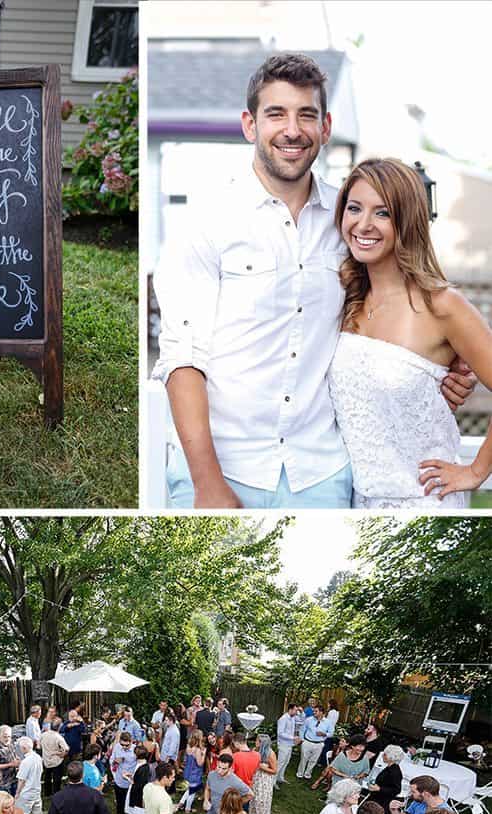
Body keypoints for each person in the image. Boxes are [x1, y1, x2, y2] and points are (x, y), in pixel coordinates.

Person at [152, 53, 473, 510]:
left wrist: (447, 364)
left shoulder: (349, 223)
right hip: (224, 469)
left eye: (307, 115)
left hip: (323, 473)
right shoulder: (206, 222)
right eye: (276, 114)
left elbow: (401, 304)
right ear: (250, 124)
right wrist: (208, 484)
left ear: (325, 127)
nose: (292, 129)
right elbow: (183, 356)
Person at [329, 156, 492, 508]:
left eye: (383, 213)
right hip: (357, 503)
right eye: (354, 208)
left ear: (407, 221)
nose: (364, 224)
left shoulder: (443, 306)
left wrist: (476, 470)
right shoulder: (344, 301)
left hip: (424, 503)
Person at [363, 745, 405, 814]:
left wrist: (379, 789)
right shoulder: (389, 768)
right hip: (378, 798)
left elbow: (396, 790)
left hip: (383, 802)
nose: (382, 755)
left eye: (385, 754)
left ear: (391, 757)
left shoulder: (395, 772)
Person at [249, 734, 278, 814]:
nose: (255, 742)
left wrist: (261, 767)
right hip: (256, 779)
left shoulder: (271, 754)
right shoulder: (255, 750)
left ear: (262, 743)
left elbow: (274, 770)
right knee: (253, 801)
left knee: (261, 803)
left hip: (264, 781)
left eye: (257, 740)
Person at [14, 737, 44, 814]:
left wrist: (17, 793)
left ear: (23, 748)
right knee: (37, 812)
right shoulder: (38, 757)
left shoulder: (26, 762)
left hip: (26, 791)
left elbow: (21, 780)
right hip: (37, 789)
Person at [297, 705, 334, 780]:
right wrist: (302, 740)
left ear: (321, 712)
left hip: (319, 744)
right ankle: (300, 773)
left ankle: (307, 774)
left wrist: (324, 734)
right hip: (307, 742)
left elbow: (331, 733)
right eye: (314, 711)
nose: (314, 712)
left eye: (316, 711)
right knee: (303, 758)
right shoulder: (309, 720)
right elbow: (302, 729)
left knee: (314, 760)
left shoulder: (328, 722)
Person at [126, 743, 152, 814]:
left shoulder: (143, 768)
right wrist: (132, 776)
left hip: (139, 796)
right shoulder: (141, 764)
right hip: (136, 794)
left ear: (136, 756)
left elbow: (139, 785)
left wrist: (128, 779)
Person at [110, 731, 137, 814]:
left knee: (131, 802)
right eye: (122, 745)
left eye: (126, 745)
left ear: (131, 742)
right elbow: (111, 760)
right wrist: (115, 761)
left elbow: (139, 765)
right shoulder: (117, 747)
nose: (124, 747)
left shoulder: (135, 750)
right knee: (120, 803)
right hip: (119, 780)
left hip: (130, 782)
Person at [177, 729, 206, 813]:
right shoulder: (197, 750)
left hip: (188, 771)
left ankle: (181, 803)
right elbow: (200, 763)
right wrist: (203, 754)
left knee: (190, 789)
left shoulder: (188, 746)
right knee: (192, 792)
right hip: (195, 773)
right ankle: (187, 809)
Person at [41, 717, 69, 797]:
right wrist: (62, 754)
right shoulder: (58, 737)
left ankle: (47, 793)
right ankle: (56, 793)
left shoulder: (43, 735)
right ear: (60, 726)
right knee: (57, 778)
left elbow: (39, 746)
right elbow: (66, 749)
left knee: (47, 777)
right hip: (56, 760)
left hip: (46, 760)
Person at [0, 725, 21, 796]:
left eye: (9, 736)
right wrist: (11, 764)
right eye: (5, 736)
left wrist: (17, 760)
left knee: (14, 802)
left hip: (14, 779)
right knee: (4, 805)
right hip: (3, 784)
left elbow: (14, 757)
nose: (7, 739)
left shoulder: (10, 744)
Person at [275, 703, 300, 787]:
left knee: (286, 762)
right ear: (290, 709)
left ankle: (280, 777)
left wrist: (301, 712)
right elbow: (280, 733)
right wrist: (293, 738)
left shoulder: (293, 718)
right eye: (295, 710)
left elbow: (302, 720)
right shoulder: (283, 719)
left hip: (289, 745)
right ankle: (273, 781)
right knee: (280, 763)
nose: (297, 712)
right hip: (283, 745)